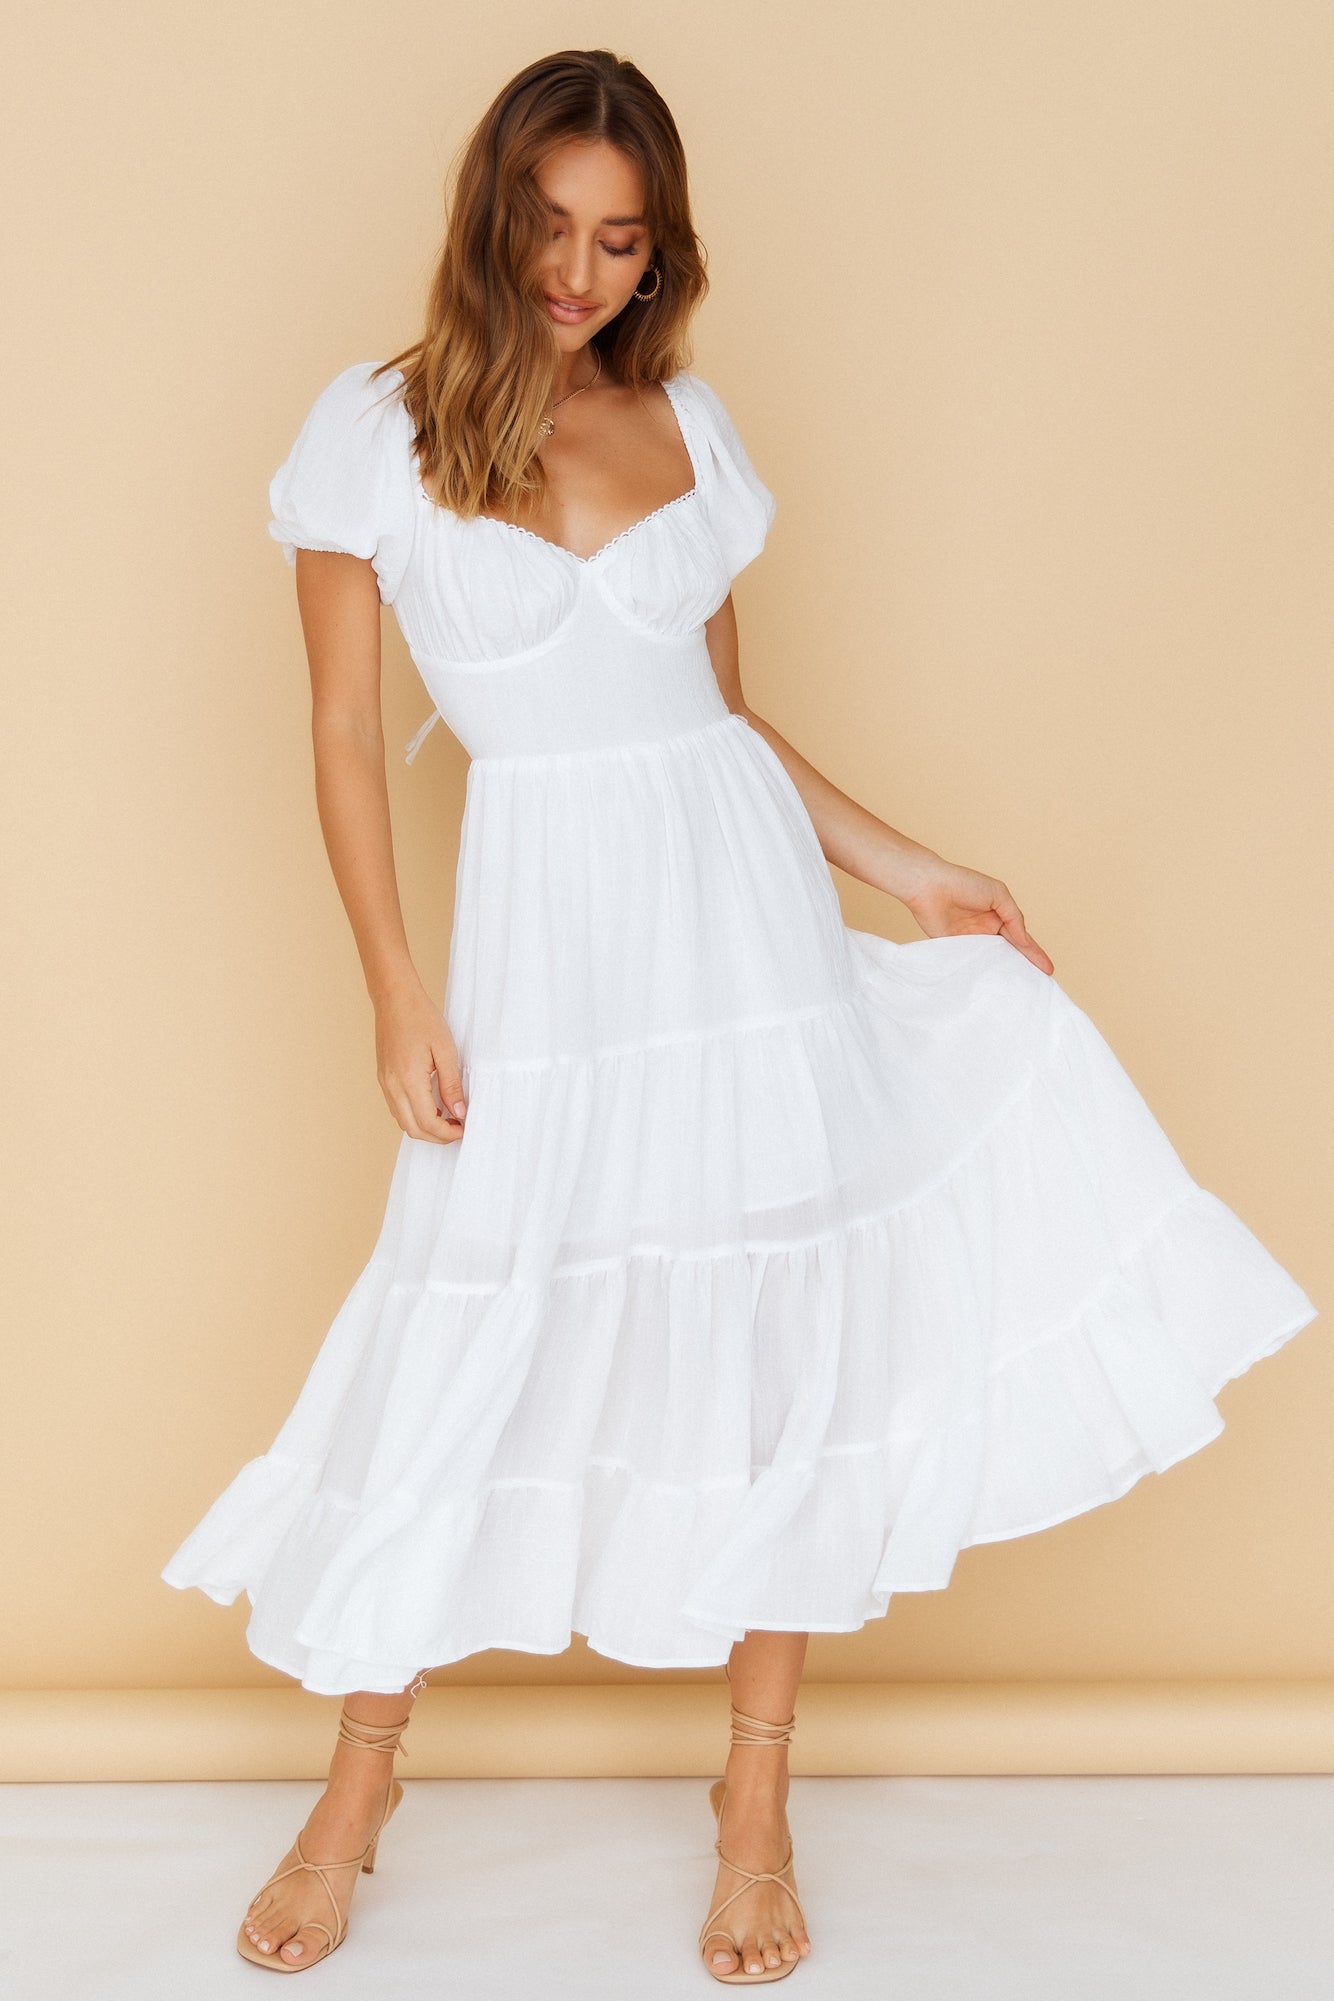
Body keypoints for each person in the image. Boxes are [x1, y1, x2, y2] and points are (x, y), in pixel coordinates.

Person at [161, 46, 1318, 1985]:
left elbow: (721, 724)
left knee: (783, 1339)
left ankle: (754, 1795)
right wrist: (394, 986)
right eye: (549, 226)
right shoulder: (373, 430)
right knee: (469, 1322)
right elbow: (345, 734)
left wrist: (912, 869)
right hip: (546, 958)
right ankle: (355, 1792)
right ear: (489, 215)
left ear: (660, 251)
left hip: (746, 951)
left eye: (619, 239)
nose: (578, 272)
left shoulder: (688, 422)